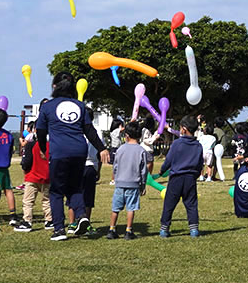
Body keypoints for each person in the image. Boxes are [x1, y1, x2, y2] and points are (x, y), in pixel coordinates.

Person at [34, 72, 111, 242]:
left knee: (56, 191)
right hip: (79, 151)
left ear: (54, 86)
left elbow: (40, 131)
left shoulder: (48, 107)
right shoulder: (80, 106)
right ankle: (82, 215)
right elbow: (89, 130)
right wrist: (101, 148)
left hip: (59, 152)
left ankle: (59, 229)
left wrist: (41, 148)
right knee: (75, 187)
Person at [159, 116, 205, 238]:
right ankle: (194, 229)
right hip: (190, 178)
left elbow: (168, 160)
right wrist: (195, 174)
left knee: (169, 204)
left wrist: (162, 171)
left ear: (183, 129)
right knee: (191, 204)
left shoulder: (177, 143)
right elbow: (200, 163)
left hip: (176, 178)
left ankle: (164, 229)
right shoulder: (198, 146)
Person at [107, 122, 150, 240]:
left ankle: (112, 229)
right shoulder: (141, 151)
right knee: (131, 208)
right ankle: (128, 230)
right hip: (133, 183)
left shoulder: (120, 149)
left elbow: (115, 166)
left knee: (115, 208)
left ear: (126, 135)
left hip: (120, 183)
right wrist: (142, 185)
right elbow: (143, 171)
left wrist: (116, 177)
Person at [15, 127, 51, 232]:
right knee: (47, 200)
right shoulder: (52, 145)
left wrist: (25, 169)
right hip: (47, 177)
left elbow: (26, 162)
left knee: (28, 201)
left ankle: (27, 221)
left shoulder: (32, 145)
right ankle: (49, 220)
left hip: (32, 177)